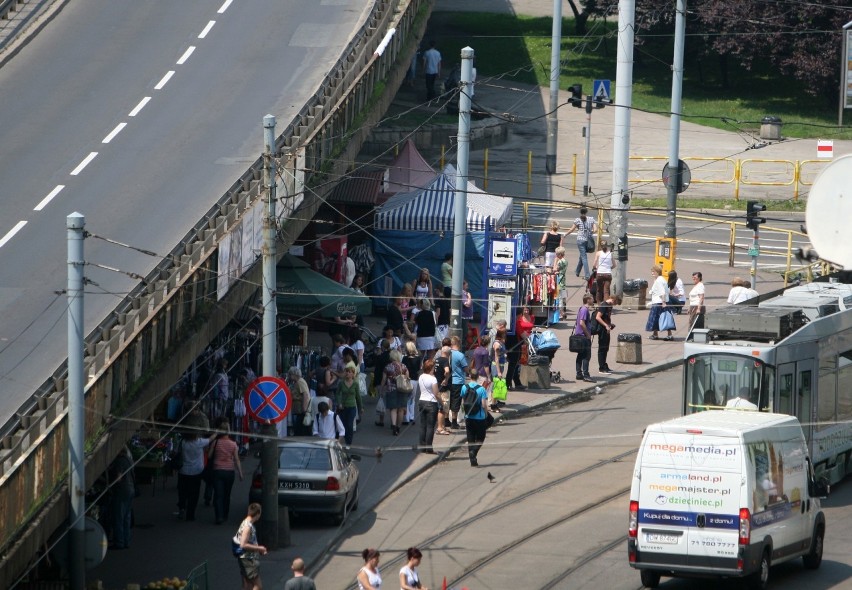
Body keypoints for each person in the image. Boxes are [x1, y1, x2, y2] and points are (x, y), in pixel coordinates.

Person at [210, 419, 243, 525]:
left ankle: (218, 516)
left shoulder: (215, 442)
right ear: (228, 431)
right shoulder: (233, 444)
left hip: (218, 471)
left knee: (218, 494)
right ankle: (225, 514)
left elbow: (209, 455)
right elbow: (237, 459)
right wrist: (240, 473)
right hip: (229, 472)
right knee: (227, 495)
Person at [175, 432, 211, 521]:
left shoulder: (182, 442)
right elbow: (210, 439)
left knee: (182, 492)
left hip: (183, 470)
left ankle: (182, 508)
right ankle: (190, 514)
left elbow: (176, 451)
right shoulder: (199, 442)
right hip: (196, 471)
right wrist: (217, 432)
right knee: (194, 494)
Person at [234, 503, 268, 590]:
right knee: (258, 586)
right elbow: (243, 544)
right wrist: (259, 548)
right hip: (248, 560)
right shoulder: (247, 526)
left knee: (247, 586)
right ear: (258, 513)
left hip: (245, 558)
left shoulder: (245, 523)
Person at [109, 445, 135, 550]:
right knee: (126, 517)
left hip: (122, 490)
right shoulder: (129, 459)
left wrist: (110, 484)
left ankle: (119, 542)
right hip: (131, 489)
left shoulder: (119, 461)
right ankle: (126, 541)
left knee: (118, 517)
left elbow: (119, 478)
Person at [462, 368, 489, 467]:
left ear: (469, 376)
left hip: (468, 416)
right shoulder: (481, 389)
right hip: (479, 417)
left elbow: (463, 401)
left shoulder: (464, 387)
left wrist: (465, 412)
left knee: (470, 438)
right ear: (478, 377)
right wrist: (486, 414)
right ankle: (474, 452)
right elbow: (483, 405)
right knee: (481, 437)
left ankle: (472, 460)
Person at [563, 206, 597, 281]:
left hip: (580, 240)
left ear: (580, 212)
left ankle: (587, 275)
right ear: (586, 212)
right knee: (582, 256)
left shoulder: (577, 220)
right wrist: (590, 233)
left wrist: (565, 234)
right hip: (588, 240)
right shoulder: (591, 219)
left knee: (584, 257)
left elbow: (572, 229)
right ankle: (577, 271)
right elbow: (595, 230)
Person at [382, 350, 410, 436]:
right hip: (402, 389)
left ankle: (393, 425)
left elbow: (384, 379)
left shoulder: (388, 367)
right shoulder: (404, 366)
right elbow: (408, 377)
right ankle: (398, 427)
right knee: (401, 409)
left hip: (391, 389)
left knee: (393, 409)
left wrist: (382, 388)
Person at [336, 363, 364, 446]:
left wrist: (360, 408)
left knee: (349, 424)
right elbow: (337, 394)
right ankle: (342, 439)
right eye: (346, 372)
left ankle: (348, 442)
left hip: (352, 407)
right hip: (343, 407)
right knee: (343, 424)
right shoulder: (341, 383)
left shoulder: (355, 384)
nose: (347, 373)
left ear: (353, 374)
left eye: (349, 372)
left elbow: (358, 396)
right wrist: (339, 403)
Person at [417, 359, 441, 454]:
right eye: (434, 367)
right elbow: (436, 393)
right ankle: (429, 448)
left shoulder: (421, 376)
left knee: (423, 425)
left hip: (422, 401)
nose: (435, 369)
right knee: (430, 426)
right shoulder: (433, 379)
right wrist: (442, 403)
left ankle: (422, 446)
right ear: (431, 368)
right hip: (431, 403)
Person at [646, 265, 672, 341]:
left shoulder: (659, 281)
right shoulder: (661, 279)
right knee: (664, 318)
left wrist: (663, 302)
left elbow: (662, 292)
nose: (652, 273)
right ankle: (656, 334)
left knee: (658, 319)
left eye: (654, 271)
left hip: (659, 302)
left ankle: (666, 334)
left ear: (658, 272)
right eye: (652, 271)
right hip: (660, 302)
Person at [449, 335, 469, 429]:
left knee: (448, 400)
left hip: (448, 380)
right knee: (456, 402)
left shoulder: (447, 353)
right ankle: (454, 422)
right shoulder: (460, 355)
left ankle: (446, 420)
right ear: (458, 343)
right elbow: (466, 369)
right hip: (458, 381)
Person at [574, 294, 595, 382]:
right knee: (586, 356)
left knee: (580, 355)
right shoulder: (584, 310)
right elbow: (582, 323)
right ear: (588, 300)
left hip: (580, 335)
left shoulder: (583, 309)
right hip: (583, 336)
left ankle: (579, 374)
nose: (593, 300)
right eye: (592, 298)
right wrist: (587, 334)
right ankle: (585, 375)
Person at [402, 341, 423, 425]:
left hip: (406, 380)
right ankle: (412, 417)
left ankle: (406, 418)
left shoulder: (404, 358)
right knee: (412, 399)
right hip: (414, 380)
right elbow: (419, 369)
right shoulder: (418, 358)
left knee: (406, 399)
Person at [287, 366, 312, 436]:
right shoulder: (297, 382)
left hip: (300, 410)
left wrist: (304, 408)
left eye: (290, 374)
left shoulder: (300, 382)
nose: (289, 376)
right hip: (297, 410)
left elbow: (305, 394)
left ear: (294, 374)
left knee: (299, 428)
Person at [595, 296, 616, 375]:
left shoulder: (609, 306)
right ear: (613, 299)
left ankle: (604, 365)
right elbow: (598, 317)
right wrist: (606, 325)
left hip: (606, 329)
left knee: (606, 348)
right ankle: (601, 368)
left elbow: (607, 318)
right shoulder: (604, 305)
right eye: (615, 303)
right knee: (602, 348)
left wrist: (610, 325)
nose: (615, 305)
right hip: (602, 329)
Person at [372, 340, 391, 425]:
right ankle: (393, 421)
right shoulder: (391, 356)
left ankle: (381, 420)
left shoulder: (380, 357)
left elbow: (377, 370)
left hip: (382, 380)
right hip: (391, 381)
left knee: (382, 400)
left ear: (382, 347)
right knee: (391, 402)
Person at [434, 345, 452, 436]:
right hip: (444, 388)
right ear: (448, 354)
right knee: (443, 408)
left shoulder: (436, 360)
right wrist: (446, 378)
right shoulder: (445, 361)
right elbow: (447, 371)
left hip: (436, 386)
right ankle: (440, 428)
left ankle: (442, 427)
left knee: (440, 407)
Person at [592, 239, 616, 304]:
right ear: (606, 245)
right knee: (606, 291)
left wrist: (596, 268)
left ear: (601, 246)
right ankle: (606, 304)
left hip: (599, 274)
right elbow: (614, 265)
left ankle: (599, 304)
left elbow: (594, 265)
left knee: (599, 290)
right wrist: (609, 268)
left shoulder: (598, 253)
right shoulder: (610, 253)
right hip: (608, 274)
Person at [553, 246, 569, 319]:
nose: (556, 255)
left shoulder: (560, 261)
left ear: (560, 254)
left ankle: (561, 313)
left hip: (559, 281)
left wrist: (555, 261)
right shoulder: (565, 261)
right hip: (564, 280)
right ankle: (563, 312)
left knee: (559, 298)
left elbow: (555, 269)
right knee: (563, 298)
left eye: (556, 254)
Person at [461, 279, 474, 348]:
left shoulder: (465, 293)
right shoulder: (462, 293)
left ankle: (463, 348)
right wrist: (469, 297)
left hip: (466, 317)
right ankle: (462, 349)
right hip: (464, 317)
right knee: (464, 334)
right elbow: (467, 304)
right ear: (462, 285)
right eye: (466, 286)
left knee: (465, 333)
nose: (467, 287)